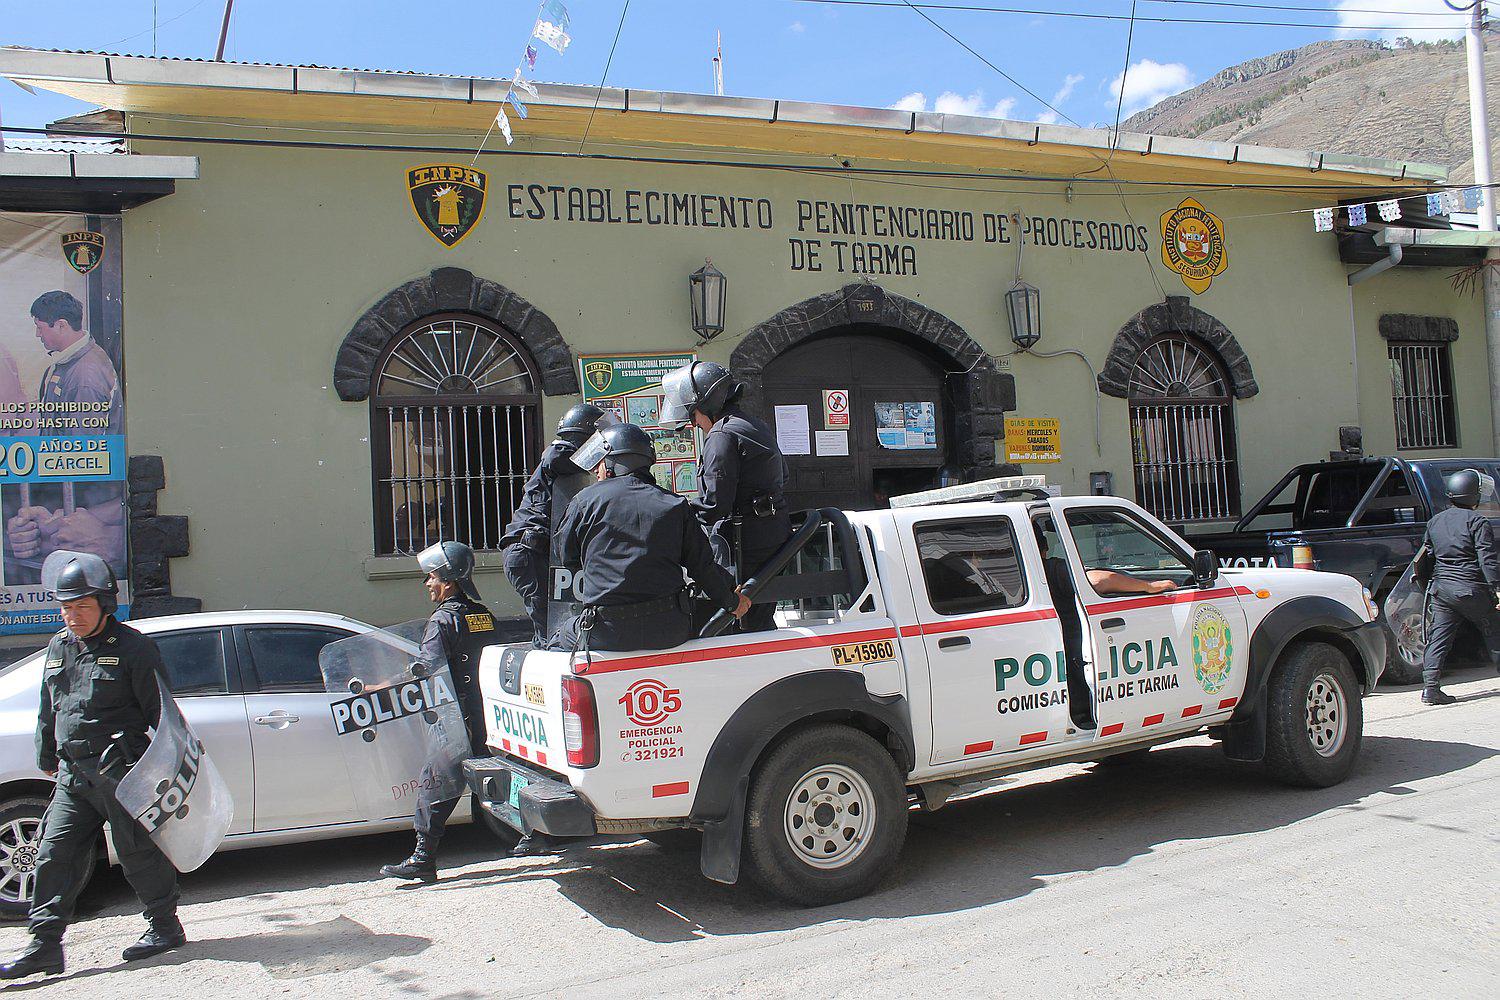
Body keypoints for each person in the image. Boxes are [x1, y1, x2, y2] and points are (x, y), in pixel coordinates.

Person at [0, 554, 183, 980]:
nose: (72, 616)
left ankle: (164, 926)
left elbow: (162, 714)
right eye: (66, 607)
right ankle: (44, 946)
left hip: (121, 771)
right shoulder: (59, 646)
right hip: (74, 775)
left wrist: (159, 766)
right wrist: (47, 752)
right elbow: (50, 704)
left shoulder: (135, 648)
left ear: (105, 605)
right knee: (53, 855)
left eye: (82, 606)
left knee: (137, 853)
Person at [549, 422, 750, 654]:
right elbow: (702, 567)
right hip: (670, 629)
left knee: (555, 640)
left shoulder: (584, 502)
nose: (597, 470)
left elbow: (567, 558)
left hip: (607, 632)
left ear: (614, 462)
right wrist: (733, 602)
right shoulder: (676, 504)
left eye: (601, 462)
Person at [380, 541, 497, 881]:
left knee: (435, 783)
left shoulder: (443, 620)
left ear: (448, 580)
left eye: (431, 577)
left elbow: (425, 667)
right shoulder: (480, 614)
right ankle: (536, 836)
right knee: (495, 776)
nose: (427, 583)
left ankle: (423, 858)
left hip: (453, 717)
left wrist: (384, 685)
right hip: (484, 714)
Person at [660, 361, 790, 633]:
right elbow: (784, 476)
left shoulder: (722, 435)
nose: (695, 423)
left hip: (743, 544)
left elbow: (714, 505)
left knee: (733, 624)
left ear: (706, 405)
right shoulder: (753, 425)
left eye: (694, 415)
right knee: (760, 617)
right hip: (770, 537)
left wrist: (675, 516)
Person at [500, 404, 605, 645]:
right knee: (550, 626)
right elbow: (555, 457)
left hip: (535, 551)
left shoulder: (568, 466)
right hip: (528, 550)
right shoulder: (560, 453)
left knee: (555, 621)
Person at [1417, 469, 1500, 706]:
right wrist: (1497, 589)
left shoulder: (1435, 521)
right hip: (1471, 588)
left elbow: (1428, 557)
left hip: (1442, 590)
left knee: (1438, 638)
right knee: (1495, 630)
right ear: (1474, 495)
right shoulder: (1478, 521)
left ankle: (1430, 689)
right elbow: (1487, 559)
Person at [30, 291, 121, 435]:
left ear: (61, 325)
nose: (37, 334)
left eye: (40, 327)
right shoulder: (73, 359)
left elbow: (82, 445)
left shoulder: (84, 378)